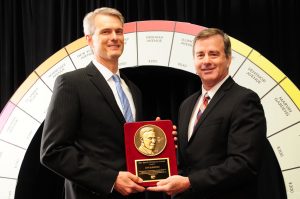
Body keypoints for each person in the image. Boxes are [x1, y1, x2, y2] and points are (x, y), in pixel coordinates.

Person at [147, 28, 267, 199]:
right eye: (200, 55)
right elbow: (188, 161)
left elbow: (244, 164)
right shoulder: (187, 105)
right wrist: (163, 145)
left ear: (228, 59)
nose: (206, 61)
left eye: (213, 54)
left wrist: (189, 182)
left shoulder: (244, 100)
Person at [40, 7, 146, 199]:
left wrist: (156, 140)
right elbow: (53, 151)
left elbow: (129, 146)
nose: (114, 37)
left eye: (119, 31)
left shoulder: (134, 90)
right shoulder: (71, 83)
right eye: (106, 32)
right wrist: (111, 179)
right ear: (89, 39)